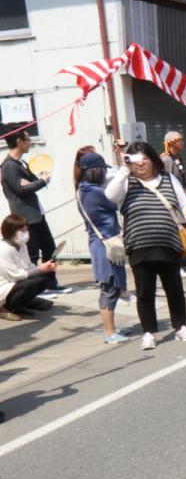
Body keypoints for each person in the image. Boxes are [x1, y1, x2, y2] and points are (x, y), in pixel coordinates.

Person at [105, 142, 186, 349]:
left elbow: (185, 206)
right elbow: (110, 196)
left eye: (145, 158)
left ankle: (180, 326)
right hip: (139, 245)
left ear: (154, 160)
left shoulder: (169, 179)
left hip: (169, 243)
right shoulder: (126, 182)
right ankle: (149, 332)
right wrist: (123, 170)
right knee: (145, 292)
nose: (141, 163)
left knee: (175, 289)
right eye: (136, 159)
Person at [2, 127, 69, 294]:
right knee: (31, 255)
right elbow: (22, 189)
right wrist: (43, 181)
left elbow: (31, 183)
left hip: (37, 215)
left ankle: (51, 284)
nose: (30, 142)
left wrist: (34, 182)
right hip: (25, 218)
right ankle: (36, 288)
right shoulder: (9, 166)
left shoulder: (21, 163)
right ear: (19, 142)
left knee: (50, 248)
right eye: (28, 139)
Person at [76, 154, 131, 344]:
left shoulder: (83, 189)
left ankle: (111, 328)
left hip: (102, 244)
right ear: (96, 170)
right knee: (109, 288)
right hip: (105, 245)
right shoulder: (93, 192)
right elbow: (115, 200)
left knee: (112, 287)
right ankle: (109, 332)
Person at [0, 214, 55, 321]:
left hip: (16, 281)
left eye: (26, 230)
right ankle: (6, 307)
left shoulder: (22, 245)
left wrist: (45, 268)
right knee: (30, 284)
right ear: (11, 231)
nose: (26, 234)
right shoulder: (3, 249)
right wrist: (39, 269)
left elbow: (29, 266)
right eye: (22, 231)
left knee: (44, 280)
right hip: (5, 284)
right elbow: (15, 276)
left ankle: (21, 304)